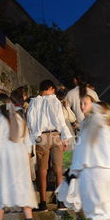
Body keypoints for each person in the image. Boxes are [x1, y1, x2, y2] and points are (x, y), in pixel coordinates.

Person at [0, 90, 38, 220]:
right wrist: (28, 164)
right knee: (23, 189)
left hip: (7, 157)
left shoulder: (0, 121)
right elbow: (28, 143)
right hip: (21, 156)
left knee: (1, 190)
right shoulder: (20, 119)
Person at [27, 80, 73, 211]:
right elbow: (60, 120)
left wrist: (33, 138)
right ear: (51, 88)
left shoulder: (34, 102)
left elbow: (30, 122)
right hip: (56, 135)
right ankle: (61, 202)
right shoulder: (55, 101)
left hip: (42, 137)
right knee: (58, 170)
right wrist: (64, 138)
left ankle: (43, 203)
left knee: (42, 170)